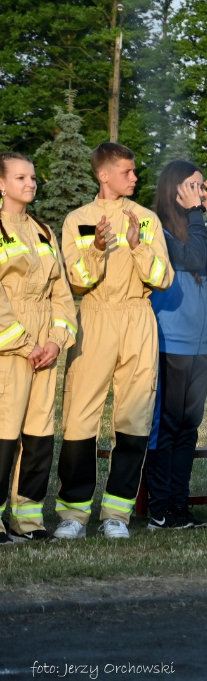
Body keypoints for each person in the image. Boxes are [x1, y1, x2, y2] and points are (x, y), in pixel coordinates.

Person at [55, 143, 174, 540]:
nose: (135, 178)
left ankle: (116, 515)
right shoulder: (78, 220)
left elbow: (163, 277)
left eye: (134, 171)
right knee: (79, 416)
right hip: (96, 316)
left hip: (139, 318)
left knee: (134, 418)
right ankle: (74, 513)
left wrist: (138, 247)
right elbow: (76, 281)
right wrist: (97, 249)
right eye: (127, 171)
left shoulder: (147, 219)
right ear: (103, 175)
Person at [0, 153, 77, 543]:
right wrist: (24, 343)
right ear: (1, 184)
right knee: (3, 434)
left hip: (44, 349)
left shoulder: (44, 231)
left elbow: (61, 294)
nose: (30, 183)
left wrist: (54, 341)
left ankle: (27, 520)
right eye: (20, 177)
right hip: (10, 350)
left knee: (38, 435)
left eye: (32, 177)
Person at [146, 161, 207, 529]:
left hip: (201, 344)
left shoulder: (199, 229)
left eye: (201, 187)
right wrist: (197, 213)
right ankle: (159, 507)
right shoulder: (158, 232)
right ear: (173, 189)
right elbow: (191, 258)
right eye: (193, 186)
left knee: (189, 428)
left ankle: (179, 505)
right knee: (168, 426)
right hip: (170, 341)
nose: (199, 193)